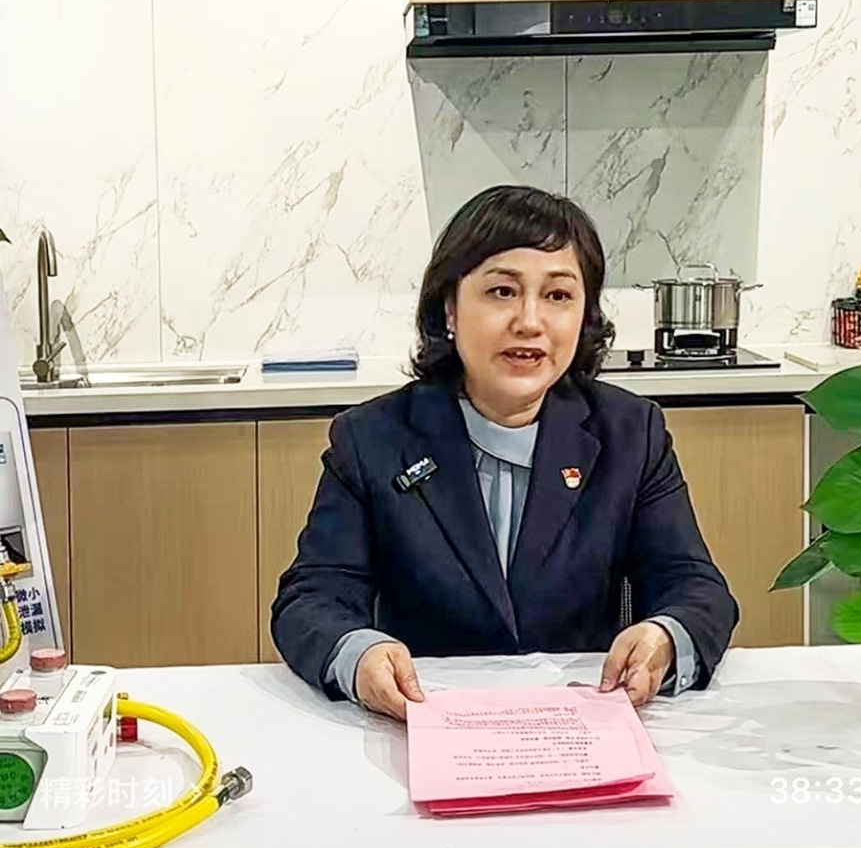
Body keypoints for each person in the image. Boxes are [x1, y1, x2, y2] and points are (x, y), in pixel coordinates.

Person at [271, 185, 738, 720]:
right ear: (450, 308)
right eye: (502, 291)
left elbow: (696, 588)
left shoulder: (630, 433)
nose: (530, 321)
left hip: (580, 721)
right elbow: (312, 597)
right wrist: (358, 654)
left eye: (558, 296)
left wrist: (664, 636)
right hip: (423, 722)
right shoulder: (372, 438)